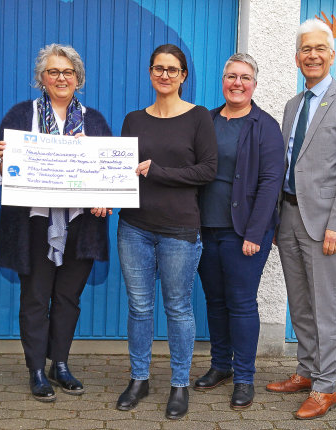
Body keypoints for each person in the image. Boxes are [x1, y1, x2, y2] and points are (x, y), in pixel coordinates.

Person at [0, 44, 111, 403]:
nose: (61, 78)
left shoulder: (95, 121)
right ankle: (36, 370)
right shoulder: (19, 115)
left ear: (78, 79)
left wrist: (104, 195)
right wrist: (4, 160)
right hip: (34, 225)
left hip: (80, 225)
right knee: (35, 298)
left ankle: (60, 364)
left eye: (68, 72)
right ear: (41, 78)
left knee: (68, 298)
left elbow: (109, 174)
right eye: (53, 72)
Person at [265, 19, 336, 420]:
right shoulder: (294, 104)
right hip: (289, 217)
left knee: (326, 305)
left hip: (326, 223)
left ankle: (326, 387)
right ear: (296, 57)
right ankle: (307, 371)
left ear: (332, 54)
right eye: (305, 49)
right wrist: (275, 218)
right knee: (301, 303)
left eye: (319, 49)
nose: (312, 55)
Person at [115, 44, 217, 420]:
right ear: (150, 72)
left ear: (183, 76)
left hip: (180, 230)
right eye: (158, 68)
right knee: (140, 307)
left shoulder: (198, 117)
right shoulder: (133, 120)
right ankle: (139, 378)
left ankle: (179, 383)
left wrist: (158, 171)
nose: (165, 75)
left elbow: (207, 170)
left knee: (177, 308)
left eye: (173, 69)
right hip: (134, 227)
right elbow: (119, 169)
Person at [194, 53, 284, 410]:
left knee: (242, 303)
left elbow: (270, 183)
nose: (237, 83)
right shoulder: (207, 120)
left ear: (255, 84)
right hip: (205, 229)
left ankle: (244, 376)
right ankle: (221, 366)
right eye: (231, 76)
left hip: (244, 233)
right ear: (223, 82)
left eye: (245, 77)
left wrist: (255, 233)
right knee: (215, 302)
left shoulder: (265, 126)